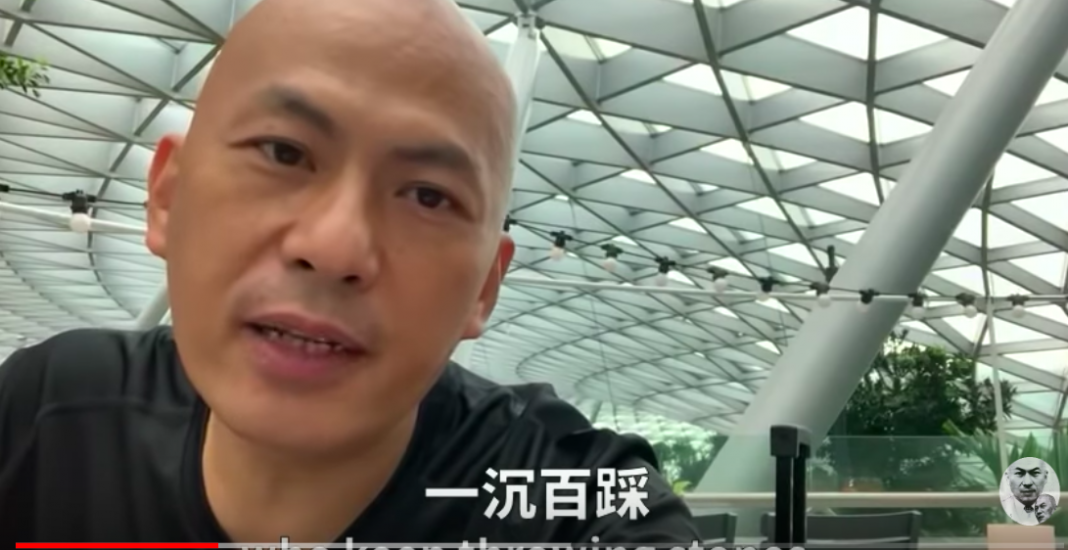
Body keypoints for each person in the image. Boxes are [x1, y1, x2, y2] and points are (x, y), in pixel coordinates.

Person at [0, 0, 699, 544]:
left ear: (484, 287)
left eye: (428, 196)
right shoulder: (46, 416)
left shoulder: (571, 504)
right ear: (168, 198)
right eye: (283, 152)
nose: (335, 248)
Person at [1001, 457, 1050, 526]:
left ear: (1045, 477)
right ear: (1007, 478)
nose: (1027, 482)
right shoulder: (998, 516)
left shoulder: (1059, 518)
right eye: (1019, 473)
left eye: (1035, 473)